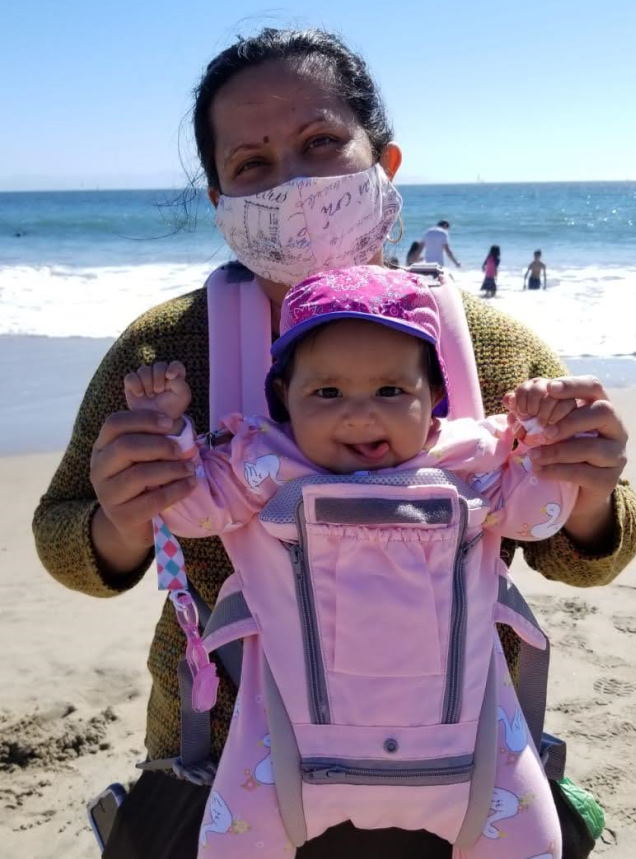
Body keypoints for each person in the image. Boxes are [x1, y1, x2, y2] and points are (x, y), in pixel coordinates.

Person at [32, 26, 636, 859]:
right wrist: (119, 520)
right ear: (220, 202)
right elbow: (65, 542)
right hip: (226, 773)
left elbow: (586, 557)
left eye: (322, 143)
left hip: (459, 767)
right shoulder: (166, 348)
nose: (294, 182)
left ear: (383, 164)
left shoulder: (492, 346)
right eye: (251, 164)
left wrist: (594, 493)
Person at [124, 265, 579, 858]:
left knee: (536, 845)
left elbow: (535, 518)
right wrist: (170, 435)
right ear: (284, 397)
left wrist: (545, 440)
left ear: (434, 396)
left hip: (475, 754)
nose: (360, 415)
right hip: (286, 753)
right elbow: (193, 513)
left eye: (391, 391)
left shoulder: (470, 458)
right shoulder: (263, 461)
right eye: (327, 393)